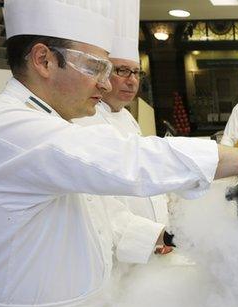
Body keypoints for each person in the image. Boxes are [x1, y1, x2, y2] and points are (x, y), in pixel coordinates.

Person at [0, 1, 238, 307]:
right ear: (43, 60)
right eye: (95, 68)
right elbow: (129, 160)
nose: (104, 85)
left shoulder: (54, 123)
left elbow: (99, 211)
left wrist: (165, 234)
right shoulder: (6, 126)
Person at [71, 0, 175, 254]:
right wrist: (157, 237)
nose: (132, 81)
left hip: (152, 249)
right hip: (120, 255)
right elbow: (101, 208)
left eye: (137, 72)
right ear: (103, 73)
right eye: (122, 71)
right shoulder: (83, 122)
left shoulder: (128, 118)